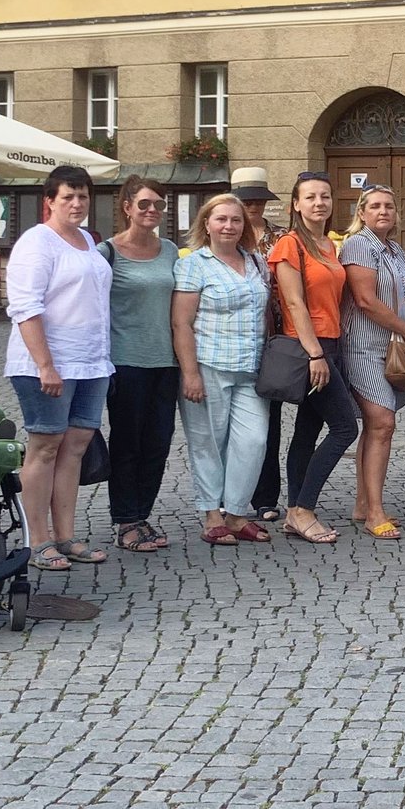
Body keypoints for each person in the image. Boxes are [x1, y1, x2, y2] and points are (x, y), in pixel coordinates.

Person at [5, 165, 113, 572]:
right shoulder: (37, 242)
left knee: (76, 448)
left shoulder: (86, 239)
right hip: (46, 365)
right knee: (45, 447)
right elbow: (25, 307)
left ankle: (65, 535)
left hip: (91, 362)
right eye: (68, 196)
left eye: (83, 196)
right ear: (49, 201)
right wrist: (45, 365)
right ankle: (38, 540)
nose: (77, 203)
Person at [172, 194, 271, 548]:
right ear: (207, 225)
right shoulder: (193, 264)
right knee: (208, 442)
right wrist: (190, 373)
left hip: (251, 366)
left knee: (254, 440)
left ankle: (238, 513)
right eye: (221, 220)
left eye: (236, 220)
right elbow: (181, 323)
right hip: (209, 363)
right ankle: (213, 515)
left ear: (245, 226)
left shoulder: (257, 262)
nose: (229, 226)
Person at [271, 172, 358, 545]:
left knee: (307, 430)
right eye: (310, 197)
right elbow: (294, 303)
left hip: (332, 343)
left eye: (325, 196)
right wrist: (315, 353)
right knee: (345, 428)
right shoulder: (290, 245)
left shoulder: (328, 244)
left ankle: (294, 511)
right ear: (296, 204)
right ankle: (304, 508)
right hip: (311, 346)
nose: (319, 202)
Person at [100, 177, 179, 553]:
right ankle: (126, 519)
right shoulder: (107, 252)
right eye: (145, 204)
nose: (152, 211)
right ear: (127, 207)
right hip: (125, 361)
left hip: (166, 361)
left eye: (159, 205)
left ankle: (142, 513)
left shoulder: (170, 251)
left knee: (158, 443)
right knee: (127, 443)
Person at [340, 185, 405, 541]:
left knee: (377, 427)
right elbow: (365, 300)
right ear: (362, 212)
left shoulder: (396, 249)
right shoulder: (359, 244)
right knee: (382, 423)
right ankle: (374, 512)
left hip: (392, 346)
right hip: (364, 346)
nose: (383, 211)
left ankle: (363, 502)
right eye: (374, 206)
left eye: (389, 205)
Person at [232, 168, 287, 526]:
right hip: (235, 339)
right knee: (231, 425)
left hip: (277, 341)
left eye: (257, 199)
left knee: (270, 422)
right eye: (246, 199)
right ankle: (231, 496)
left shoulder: (281, 237)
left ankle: (266, 495)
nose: (253, 205)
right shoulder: (226, 234)